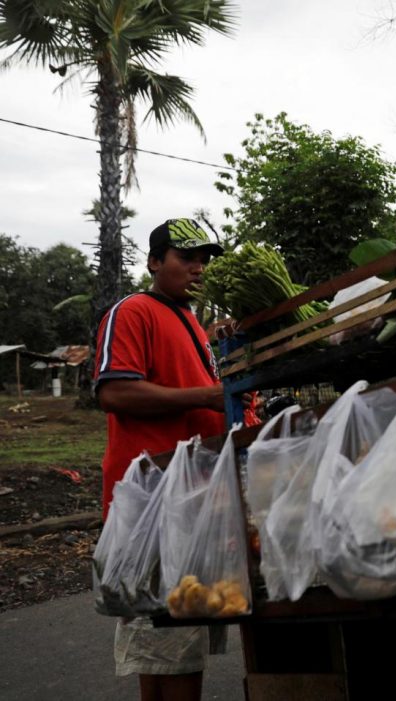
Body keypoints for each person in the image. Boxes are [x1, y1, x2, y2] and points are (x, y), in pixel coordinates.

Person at [94, 218, 228, 701]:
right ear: (154, 262)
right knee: (169, 639)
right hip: (153, 502)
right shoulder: (133, 311)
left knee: (170, 647)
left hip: (190, 498)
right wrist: (208, 397)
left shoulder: (190, 321)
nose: (198, 267)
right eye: (185, 257)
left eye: (203, 259)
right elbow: (115, 392)